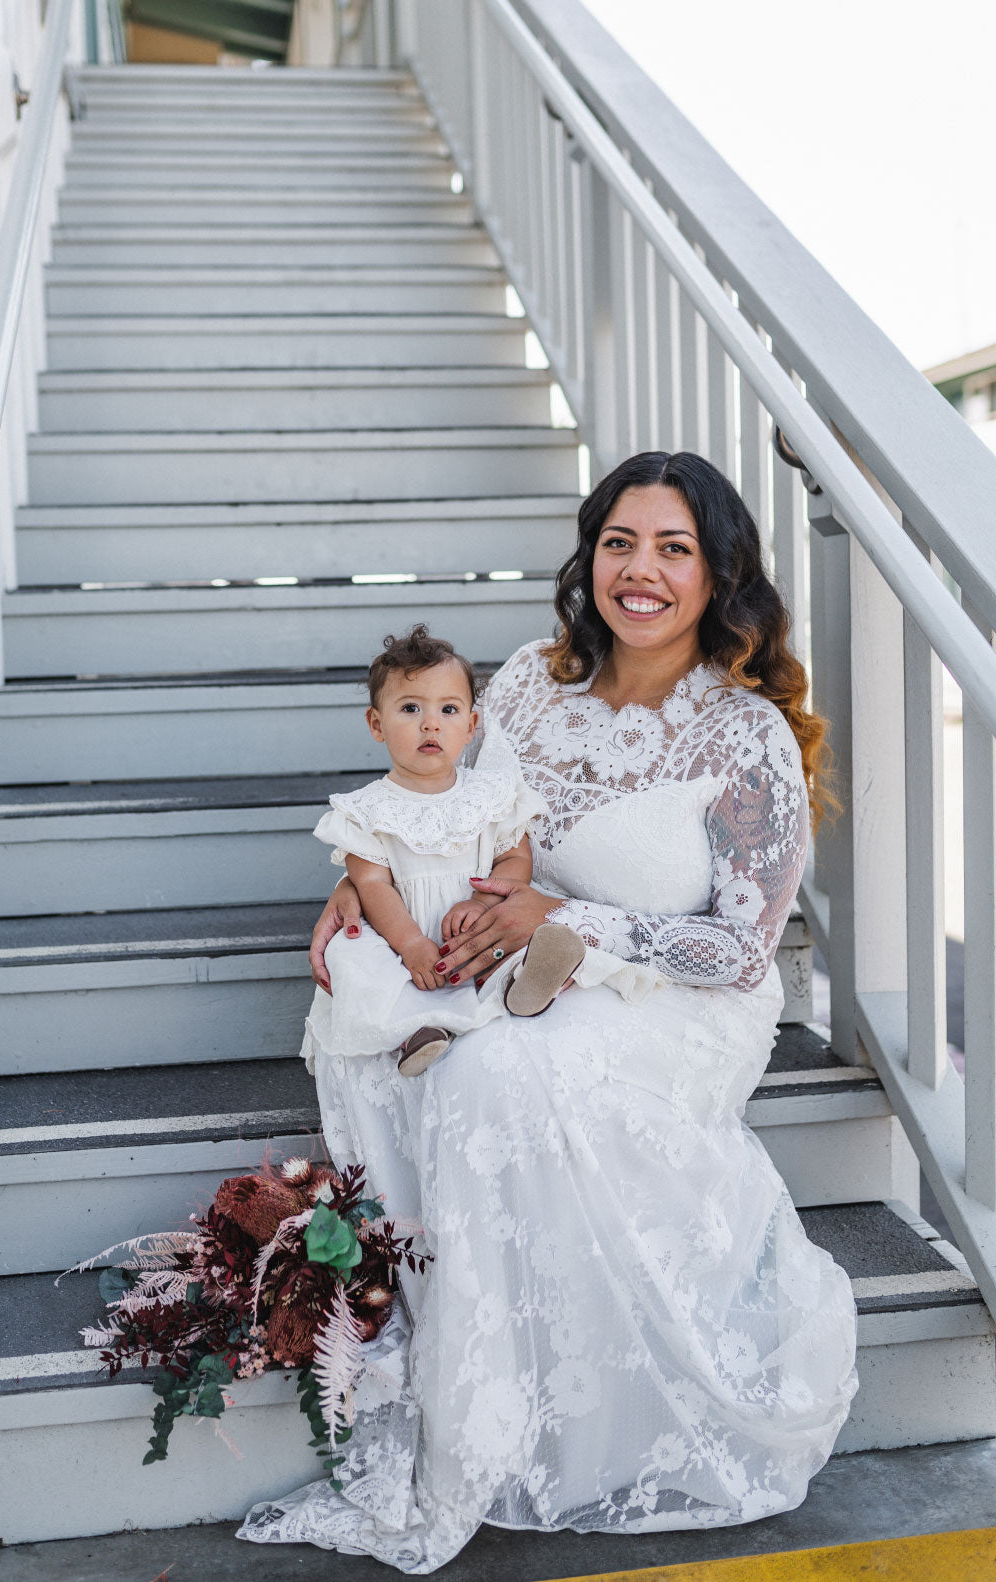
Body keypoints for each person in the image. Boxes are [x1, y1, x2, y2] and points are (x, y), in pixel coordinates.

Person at [238, 452, 858, 1574]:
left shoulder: (742, 734)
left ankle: (495, 1427)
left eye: (676, 549)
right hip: (508, 953)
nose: (643, 571)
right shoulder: (527, 678)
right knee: (388, 1026)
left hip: (673, 1000)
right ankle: (474, 1374)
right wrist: (363, 881)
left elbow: (739, 945)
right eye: (622, 542)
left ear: (721, 575)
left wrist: (566, 920)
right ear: (591, 555)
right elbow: (445, 810)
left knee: (493, 1075)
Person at [306, 624, 659, 1078]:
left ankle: (525, 983)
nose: (431, 723)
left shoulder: (492, 795)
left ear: (472, 726)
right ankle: (418, 1031)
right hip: (402, 935)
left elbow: (514, 858)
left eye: (449, 709)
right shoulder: (365, 810)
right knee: (356, 959)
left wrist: (483, 902)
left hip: (479, 924)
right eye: (410, 708)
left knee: (508, 943)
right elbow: (371, 884)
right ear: (377, 724)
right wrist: (412, 944)